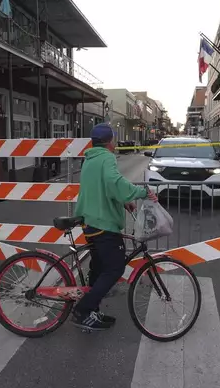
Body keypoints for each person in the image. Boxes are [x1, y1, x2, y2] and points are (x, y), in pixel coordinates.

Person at [72, 123, 157, 331]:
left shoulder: (90, 159)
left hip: (89, 220)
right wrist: (141, 192)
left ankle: (91, 311)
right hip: (103, 224)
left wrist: (122, 201)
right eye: (114, 140)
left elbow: (101, 188)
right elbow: (114, 182)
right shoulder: (107, 158)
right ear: (110, 142)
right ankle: (83, 310)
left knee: (99, 267)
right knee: (115, 267)